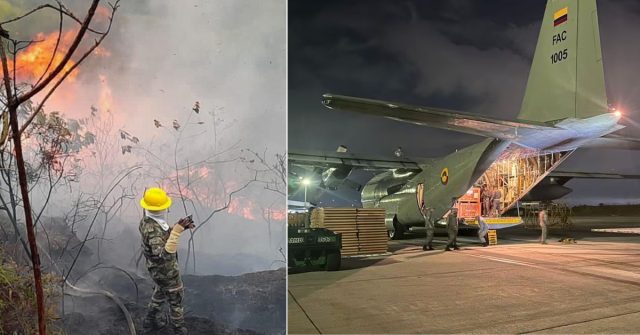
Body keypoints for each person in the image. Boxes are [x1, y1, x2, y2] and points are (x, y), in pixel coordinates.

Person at [139, 187, 195, 335]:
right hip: (166, 271)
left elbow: (161, 235)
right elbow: (162, 253)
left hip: (156, 271)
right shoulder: (153, 230)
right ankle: (179, 329)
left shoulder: (147, 220)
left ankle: (150, 321)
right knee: (175, 298)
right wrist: (176, 232)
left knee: (160, 292)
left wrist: (178, 227)